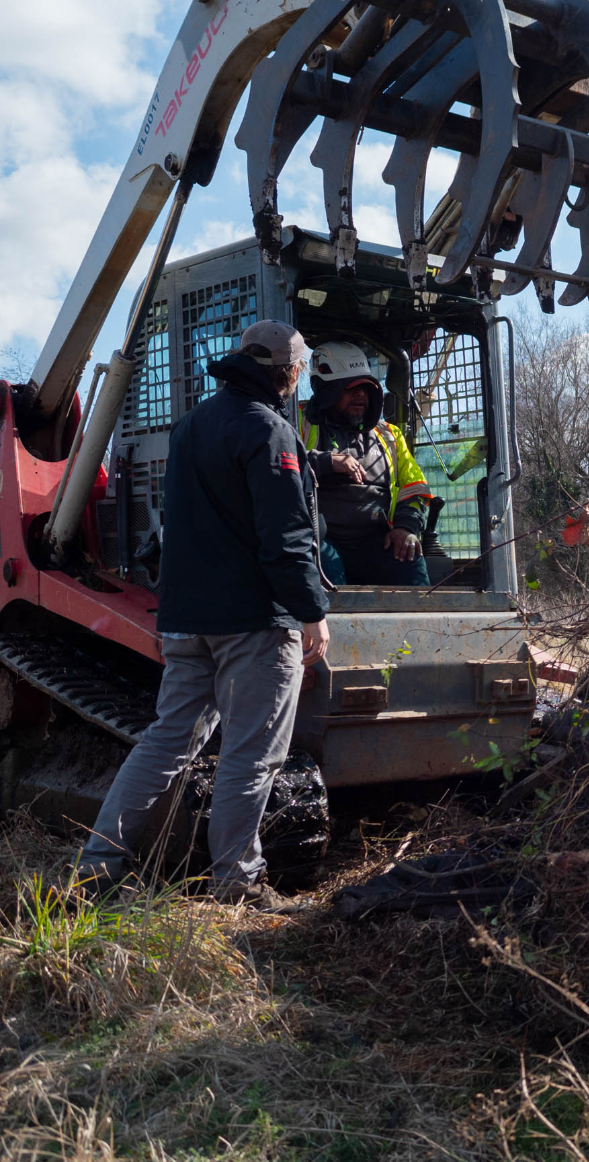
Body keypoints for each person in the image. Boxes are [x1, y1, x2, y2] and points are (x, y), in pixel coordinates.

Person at [78, 321, 331, 909]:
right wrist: (310, 611)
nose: (300, 375)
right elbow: (285, 535)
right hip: (253, 621)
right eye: (299, 367)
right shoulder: (269, 430)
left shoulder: (193, 425)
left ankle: (95, 870)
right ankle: (237, 883)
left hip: (186, 618)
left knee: (165, 743)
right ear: (288, 371)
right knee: (252, 754)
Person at [301, 341, 433, 587]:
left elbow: (415, 490)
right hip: (321, 540)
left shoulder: (389, 435)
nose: (361, 394)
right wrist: (326, 461)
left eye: (366, 388)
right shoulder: (301, 425)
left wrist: (406, 528)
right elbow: (280, 467)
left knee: (409, 559)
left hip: (376, 541)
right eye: (351, 388)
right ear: (328, 391)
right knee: (324, 571)